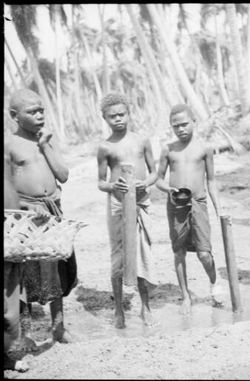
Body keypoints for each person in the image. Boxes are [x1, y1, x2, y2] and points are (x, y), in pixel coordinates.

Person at [7, 89, 77, 349]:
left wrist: (46, 145)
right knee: (23, 272)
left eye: (41, 110)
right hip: (25, 216)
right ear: (15, 116)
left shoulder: (47, 139)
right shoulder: (9, 145)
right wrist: (25, 206)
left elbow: (63, 174)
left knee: (57, 266)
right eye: (31, 112)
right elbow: (6, 185)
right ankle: (24, 333)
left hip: (53, 211)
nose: (39, 115)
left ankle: (58, 327)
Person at [97, 93, 157, 328]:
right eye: (112, 116)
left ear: (129, 114)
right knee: (118, 256)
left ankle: (146, 307)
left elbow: (154, 172)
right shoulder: (104, 147)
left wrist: (147, 182)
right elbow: (101, 182)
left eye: (122, 114)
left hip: (141, 201)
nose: (118, 119)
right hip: (118, 204)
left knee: (142, 253)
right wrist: (114, 186)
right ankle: (119, 309)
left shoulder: (142, 141)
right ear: (105, 118)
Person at [156, 104, 223, 315]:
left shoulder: (205, 149)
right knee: (179, 251)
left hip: (198, 203)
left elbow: (211, 181)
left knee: (204, 253)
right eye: (176, 126)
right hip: (176, 204)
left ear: (194, 122)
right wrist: (169, 188)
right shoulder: (168, 149)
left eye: (184, 124)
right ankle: (186, 296)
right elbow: (158, 179)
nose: (181, 129)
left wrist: (219, 209)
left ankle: (215, 283)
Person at [3, 148, 29, 372]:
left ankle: (8, 355)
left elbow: (13, 192)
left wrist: (27, 208)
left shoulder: (7, 153)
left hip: (11, 231)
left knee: (11, 306)